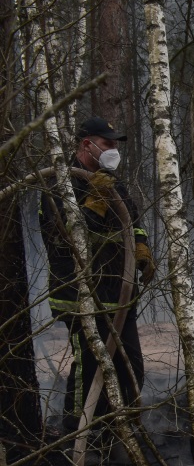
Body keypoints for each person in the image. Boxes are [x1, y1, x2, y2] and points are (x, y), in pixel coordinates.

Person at [40, 116, 155, 430]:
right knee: (89, 368)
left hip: (119, 292)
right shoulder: (59, 183)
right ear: (86, 144)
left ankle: (121, 435)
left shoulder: (111, 182)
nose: (113, 150)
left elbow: (132, 221)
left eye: (115, 144)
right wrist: (96, 201)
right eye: (107, 143)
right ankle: (78, 436)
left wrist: (142, 247)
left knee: (130, 365)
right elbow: (67, 236)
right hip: (80, 293)